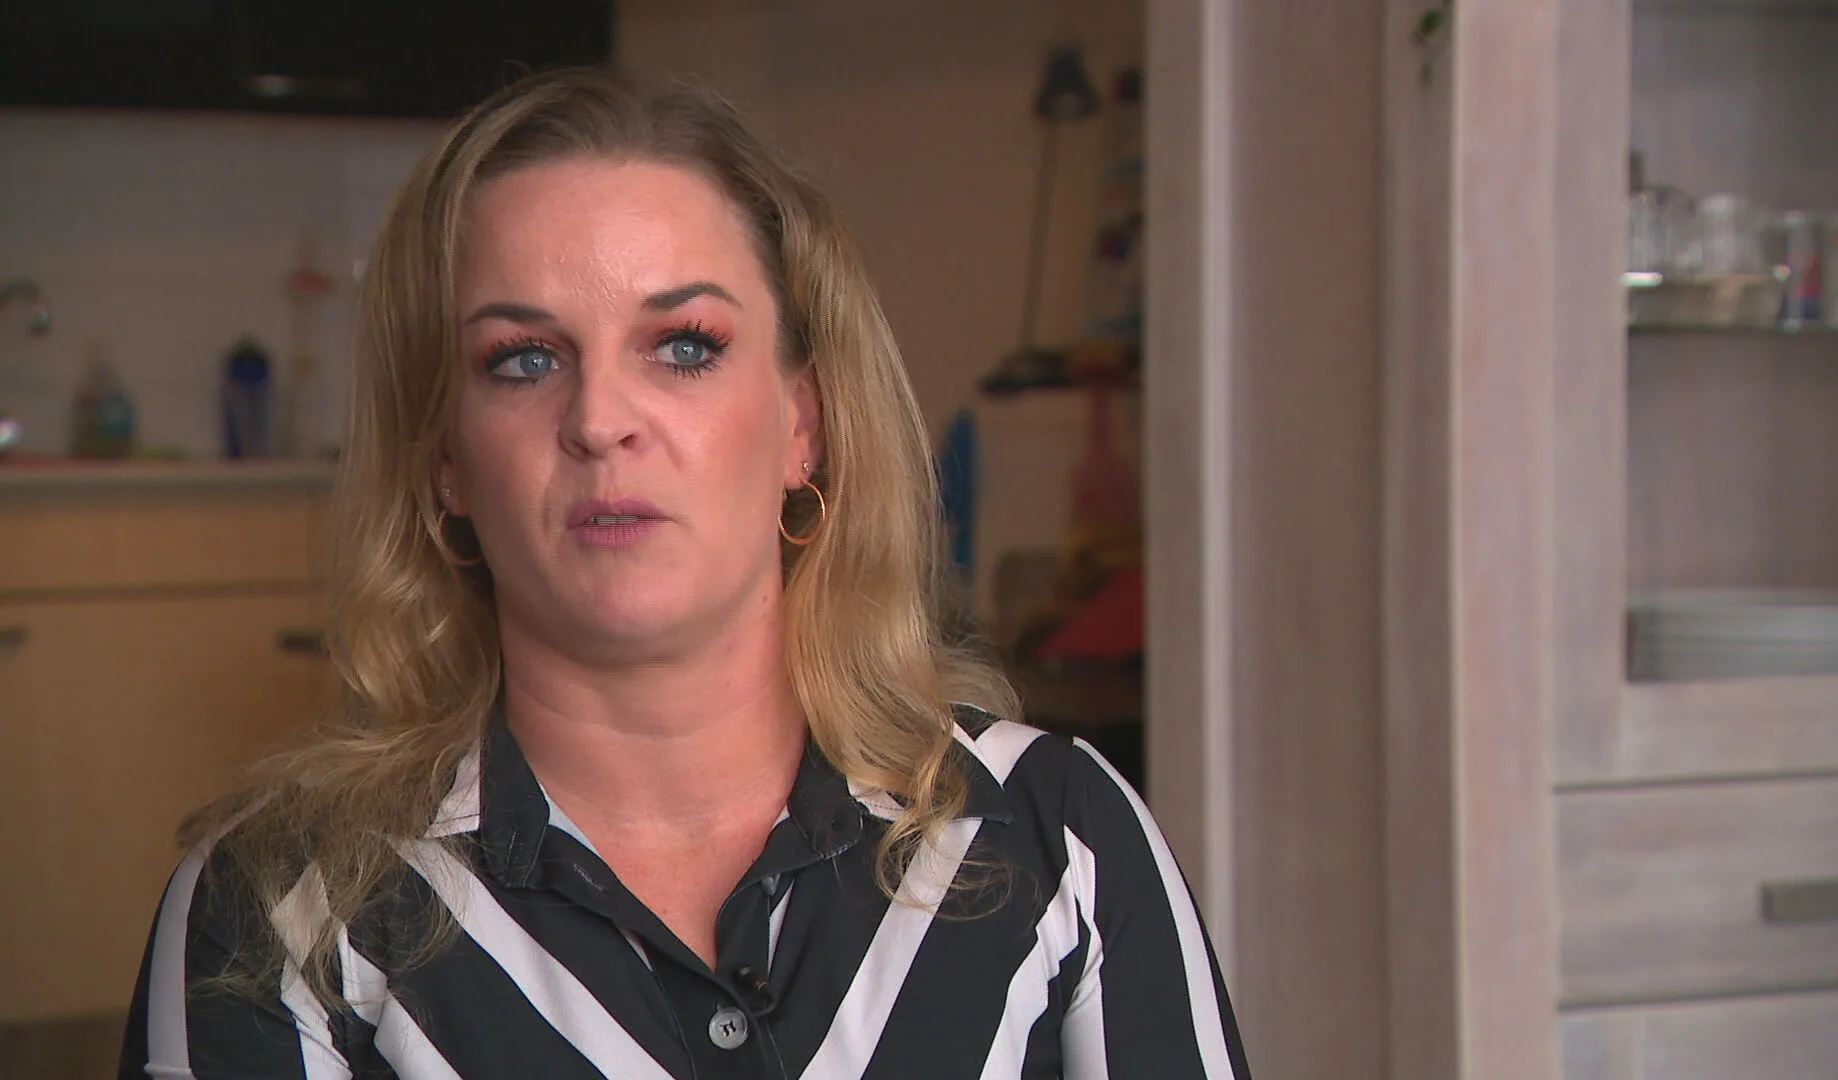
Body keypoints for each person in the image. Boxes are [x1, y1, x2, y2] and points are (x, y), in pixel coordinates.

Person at [119, 69, 1247, 1080]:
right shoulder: (278, 914)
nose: (600, 419)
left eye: (685, 346)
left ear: (804, 423)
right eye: (523, 359)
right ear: (445, 458)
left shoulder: (1061, 842)